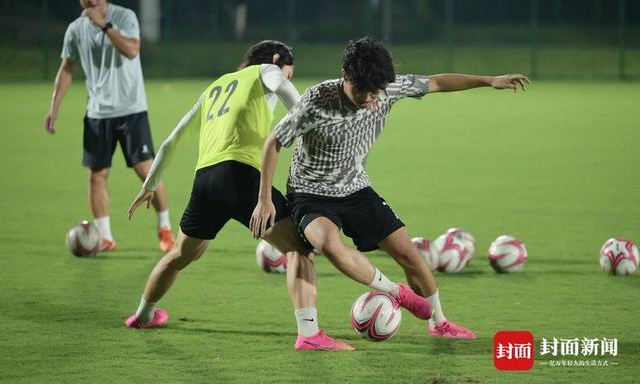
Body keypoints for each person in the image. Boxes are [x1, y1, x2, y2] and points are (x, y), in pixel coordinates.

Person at [251, 37, 531, 339]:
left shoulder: (389, 88)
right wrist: (265, 199)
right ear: (345, 76)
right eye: (361, 90)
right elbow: (273, 142)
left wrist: (489, 80)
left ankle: (440, 322)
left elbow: (437, 82)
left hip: (356, 189)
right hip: (310, 192)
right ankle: (396, 292)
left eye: (375, 91)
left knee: (409, 255)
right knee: (328, 244)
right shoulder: (316, 101)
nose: (369, 98)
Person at [125, 40, 392, 351]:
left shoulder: (215, 87)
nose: (287, 77)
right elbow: (283, 88)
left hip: (206, 180)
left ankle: (142, 315)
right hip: (240, 176)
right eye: (289, 72)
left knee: (181, 255)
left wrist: (150, 184)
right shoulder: (267, 69)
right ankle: (309, 333)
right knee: (301, 248)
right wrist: (308, 119)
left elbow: (173, 139)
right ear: (277, 59)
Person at [43, 0, 174, 252]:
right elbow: (67, 68)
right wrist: (54, 107)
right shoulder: (75, 29)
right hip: (97, 113)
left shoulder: (124, 17)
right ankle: (104, 237)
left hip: (131, 109)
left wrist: (104, 25)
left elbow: (132, 50)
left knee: (147, 172)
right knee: (97, 175)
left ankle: (165, 228)